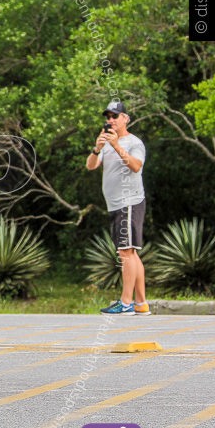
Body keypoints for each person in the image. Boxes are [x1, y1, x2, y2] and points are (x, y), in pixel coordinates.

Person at [86, 100, 148, 315]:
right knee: (131, 253)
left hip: (129, 202)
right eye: (108, 117)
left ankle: (126, 303)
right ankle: (141, 304)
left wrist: (117, 146)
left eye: (115, 116)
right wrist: (97, 148)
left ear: (125, 118)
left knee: (125, 252)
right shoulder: (106, 142)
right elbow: (91, 166)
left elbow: (136, 166)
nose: (110, 120)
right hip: (115, 205)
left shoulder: (134, 143)